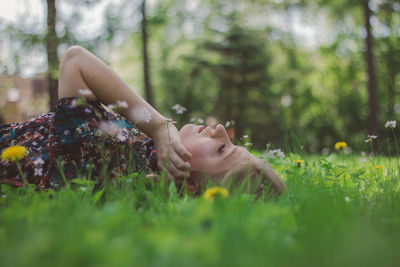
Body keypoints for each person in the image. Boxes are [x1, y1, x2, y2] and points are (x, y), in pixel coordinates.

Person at [0, 46, 286, 196]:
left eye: (222, 149)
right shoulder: (136, 153)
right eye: (230, 142)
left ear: (189, 185)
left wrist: (160, 125)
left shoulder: (110, 155)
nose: (222, 130)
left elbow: (76, 61)